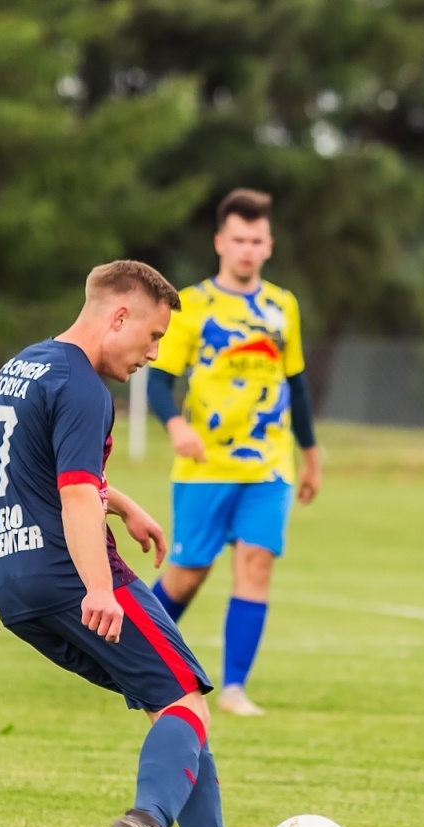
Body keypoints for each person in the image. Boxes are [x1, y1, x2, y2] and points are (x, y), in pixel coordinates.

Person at [0, 259, 264, 827]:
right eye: (154, 337)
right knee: (187, 702)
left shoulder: (23, 366)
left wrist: (126, 504)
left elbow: (45, 469)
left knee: (168, 693)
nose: (156, 354)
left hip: (15, 582)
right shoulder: (85, 389)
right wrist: (98, 588)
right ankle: (147, 821)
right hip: (71, 572)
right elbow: (75, 496)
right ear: (118, 316)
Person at [145, 189, 323, 718]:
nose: (247, 249)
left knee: (256, 564)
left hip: (269, 466)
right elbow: (158, 382)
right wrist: (176, 425)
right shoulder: (192, 305)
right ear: (220, 242)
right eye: (238, 239)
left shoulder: (282, 307)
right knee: (187, 573)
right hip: (204, 467)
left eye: (257, 240)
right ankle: (131, 660)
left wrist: (311, 454)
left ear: (269, 245)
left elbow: (299, 386)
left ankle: (234, 689)